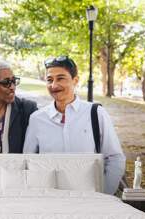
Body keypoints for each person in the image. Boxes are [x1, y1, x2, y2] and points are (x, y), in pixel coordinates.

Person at [23, 55, 125, 195]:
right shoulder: (37, 119)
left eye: (61, 78)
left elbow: (115, 158)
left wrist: (103, 196)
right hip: (50, 199)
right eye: (49, 80)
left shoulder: (96, 113)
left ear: (75, 80)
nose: (54, 85)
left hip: (90, 200)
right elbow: (28, 161)